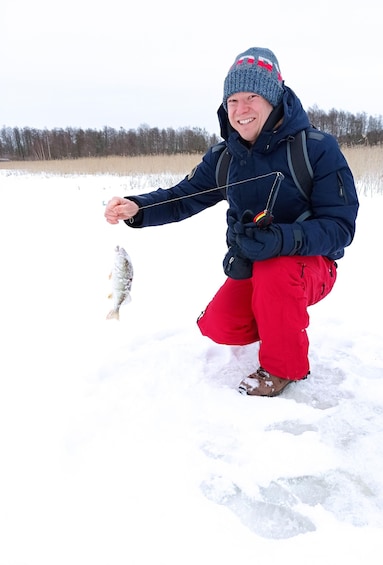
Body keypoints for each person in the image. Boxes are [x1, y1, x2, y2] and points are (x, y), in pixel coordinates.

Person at [105, 46, 359, 397]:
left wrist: (282, 240)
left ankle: (283, 368)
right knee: (219, 326)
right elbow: (184, 197)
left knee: (275, 272)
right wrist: (138, 208)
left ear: (274, 97)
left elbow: (340, 229)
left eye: (252, 97)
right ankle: (279, 320)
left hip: (313, 267)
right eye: (233, 100)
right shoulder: (225, 156)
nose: (241, 110)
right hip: (256, 267)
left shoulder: (317, 148)